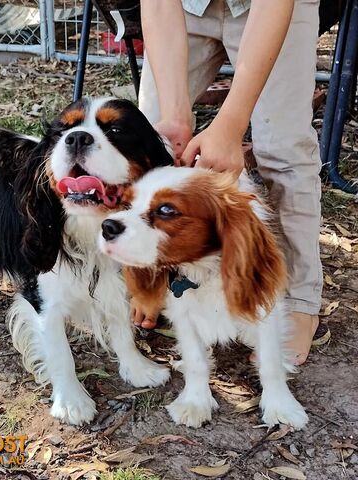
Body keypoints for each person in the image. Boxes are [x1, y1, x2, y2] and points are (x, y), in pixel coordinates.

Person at [135, 0, 322, 365]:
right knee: (151, 139)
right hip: (184, 8)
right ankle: (152, 278)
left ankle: (300, 299)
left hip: (272, 7)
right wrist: (175, 115)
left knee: (284, 150)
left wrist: (231, 124)